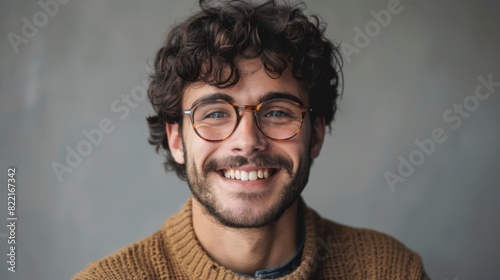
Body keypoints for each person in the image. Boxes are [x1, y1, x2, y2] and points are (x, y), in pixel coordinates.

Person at [74, 0, 429, 279]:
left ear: (316, 134)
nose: (247, 142)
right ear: (176, 140)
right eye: (214, 113)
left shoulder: (390, 270)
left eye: (277, 112)